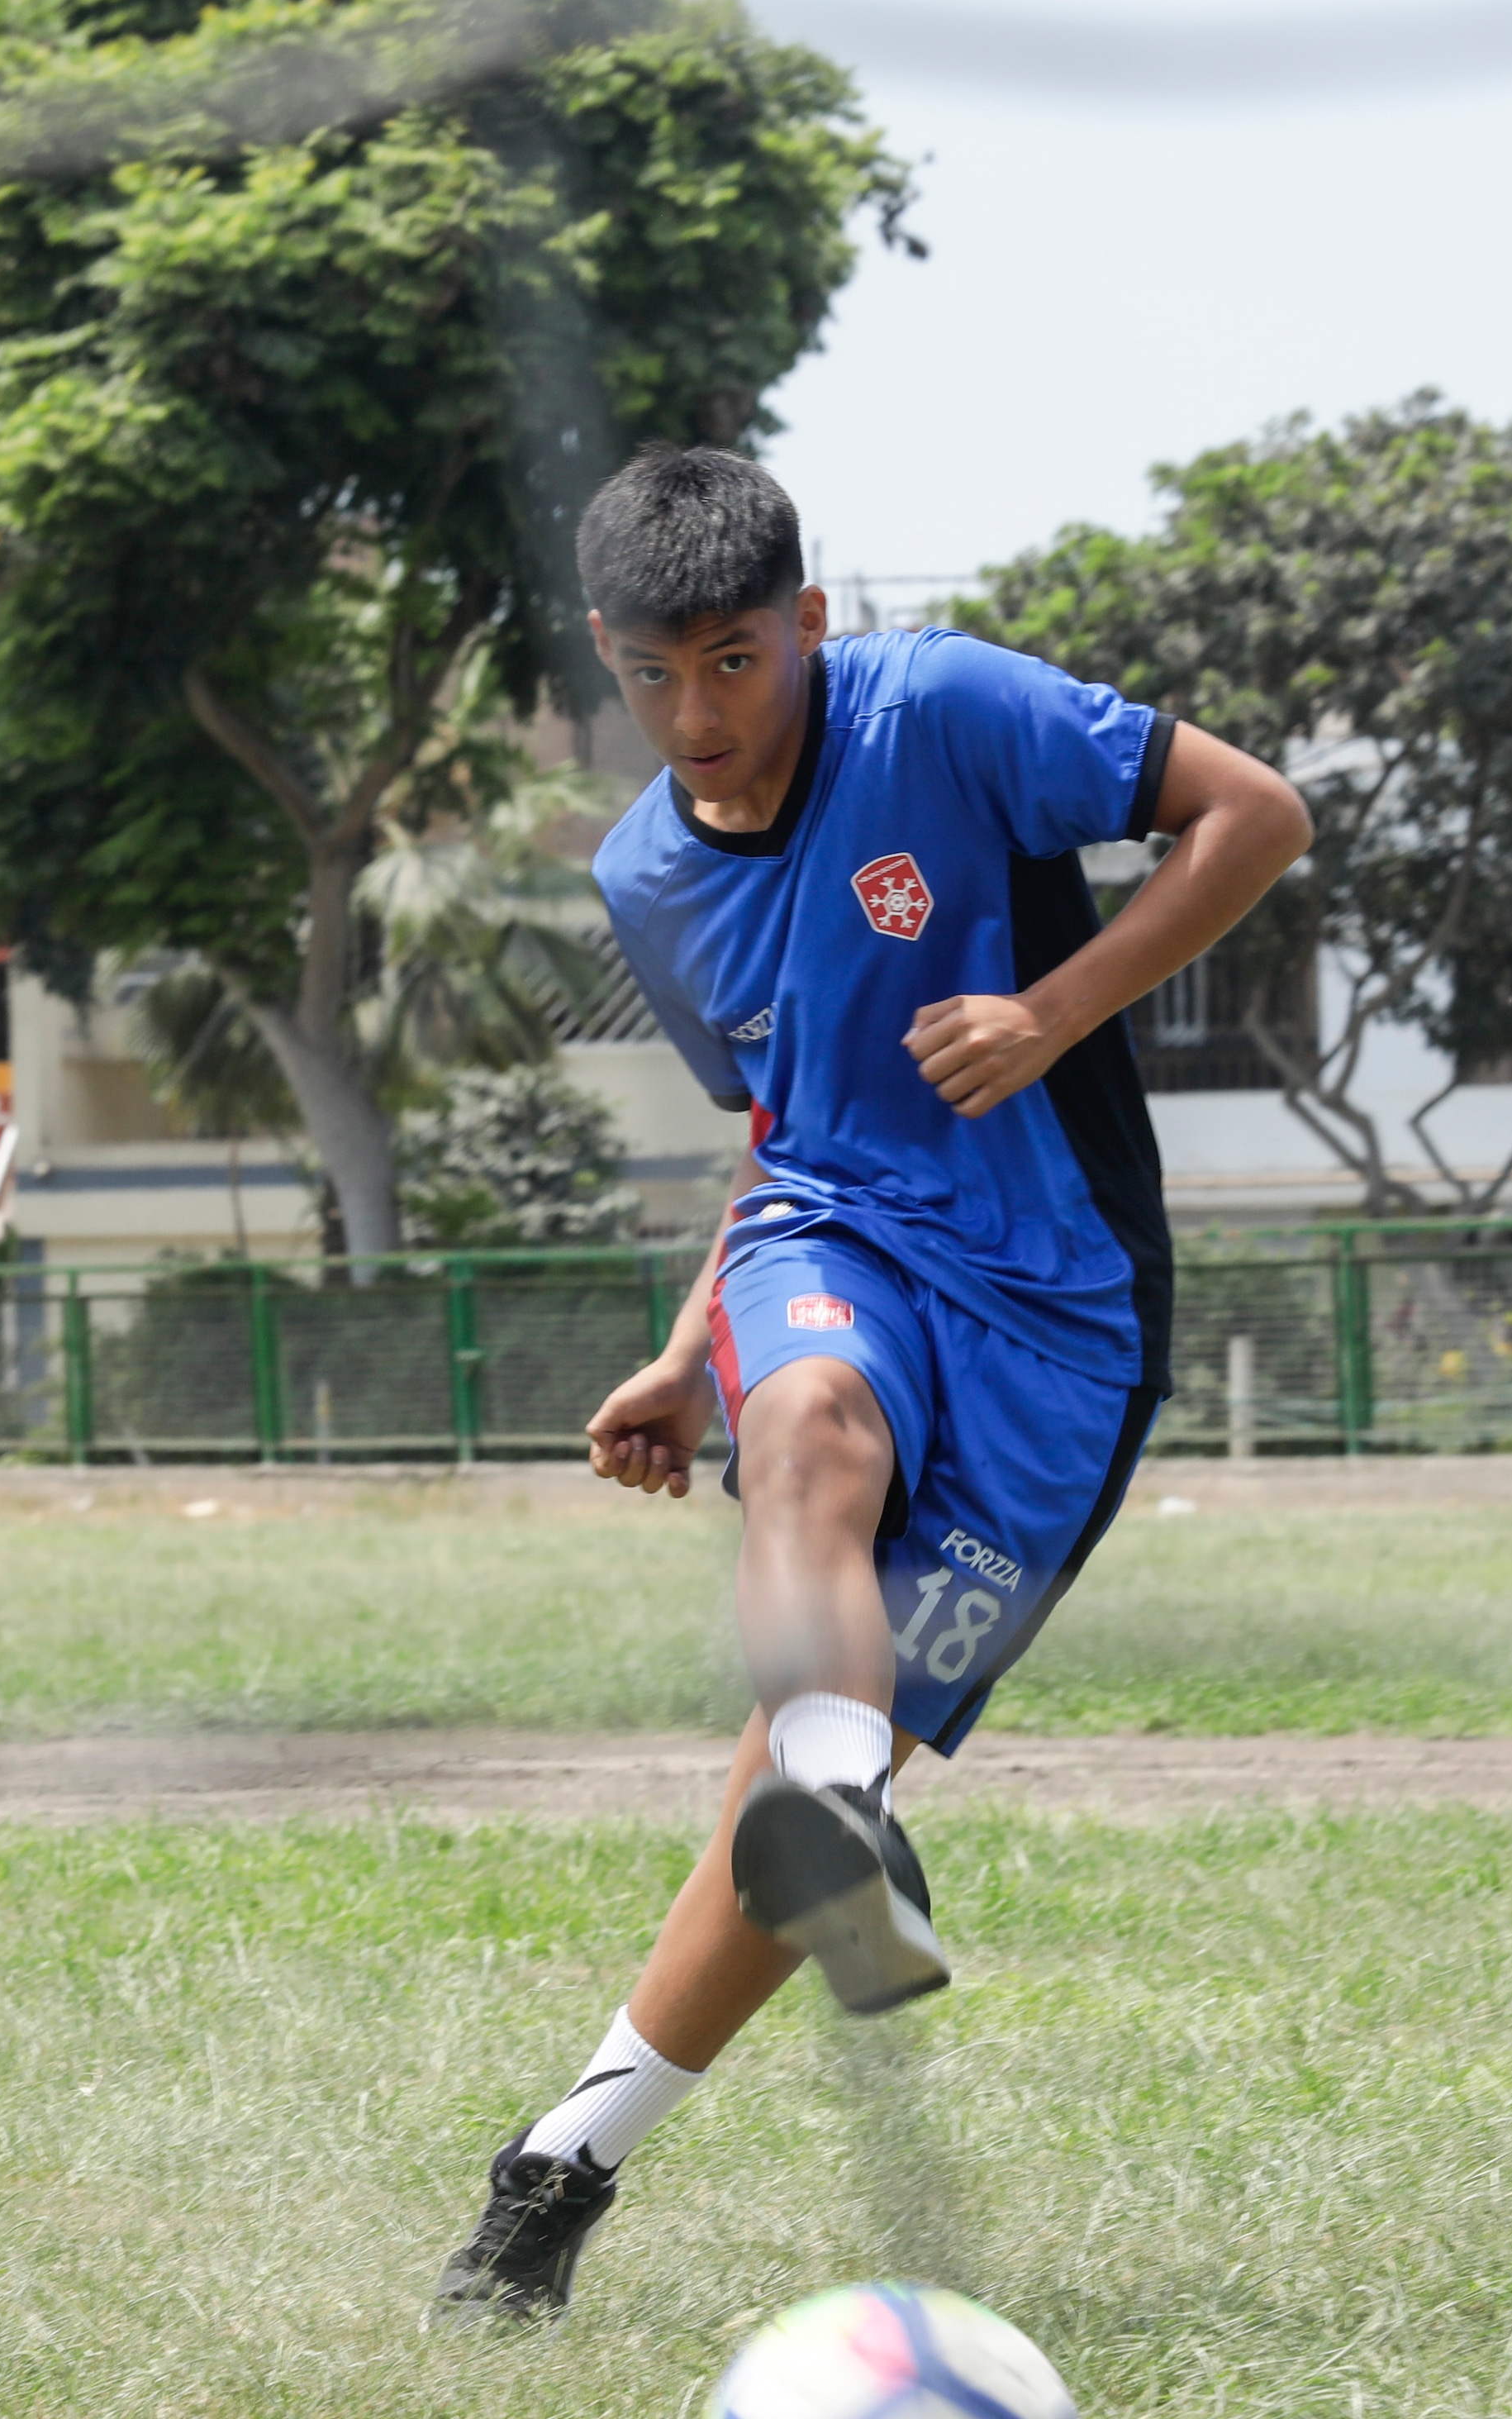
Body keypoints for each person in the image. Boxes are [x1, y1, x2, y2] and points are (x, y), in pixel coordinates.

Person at [430, 446, 1310, 2322]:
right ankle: (844, 1803)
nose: (699, 716)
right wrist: (691, 1351)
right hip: (835, 1231)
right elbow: (785, 1112)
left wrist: (1049, 1010)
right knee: (810, 1428)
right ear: (604, 659)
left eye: (735, 662)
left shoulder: (954, 707)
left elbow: (1260, 813)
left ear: (809, 622)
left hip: (1067, 1313)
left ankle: (555, 2169)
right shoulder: (644, 875)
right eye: (652, 676)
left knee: (783, 1778)